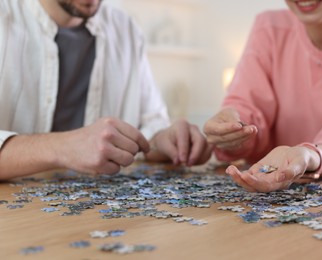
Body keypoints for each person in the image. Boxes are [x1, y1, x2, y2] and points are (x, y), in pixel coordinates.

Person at [0, 0, 212, 180]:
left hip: (93, 217)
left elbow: (151, 126)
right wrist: (63, 147)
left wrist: (165, 140)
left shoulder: (125, 29)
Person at [204, 0, 322, 192]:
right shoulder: (269, 27)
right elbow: (247, 108)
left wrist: (311, 156)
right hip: (262, 202)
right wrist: (231, 129)